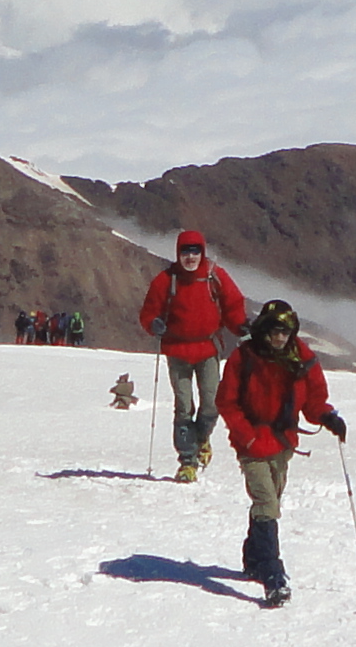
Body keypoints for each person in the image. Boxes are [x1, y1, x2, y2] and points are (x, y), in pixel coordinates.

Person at [214, 299, 344, 607]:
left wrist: (327, 417)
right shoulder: (245, 357)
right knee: (267, 503)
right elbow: (226, 401)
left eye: (285, 332)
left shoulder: (302, 359)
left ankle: (253, 559)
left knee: (269, 502)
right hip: (252, 445)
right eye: (274, 331)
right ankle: (273, 575)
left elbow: (313, 400)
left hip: (283, 444)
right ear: (264, 329)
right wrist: (247, 438)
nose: (279, 337)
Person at [140, 229, 249, 480]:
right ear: (178, 254)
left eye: (195, 251)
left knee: (212, 403)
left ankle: (200, 440)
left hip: (208, 349)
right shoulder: (166, 280)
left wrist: (241, 325)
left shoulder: (214, 277)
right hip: (177, 350)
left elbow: (232, 305)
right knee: (183, 406)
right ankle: (187, 461)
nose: (190, 257)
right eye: (186, 252)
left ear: (202, 252)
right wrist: (153, 323)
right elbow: (149, 311)